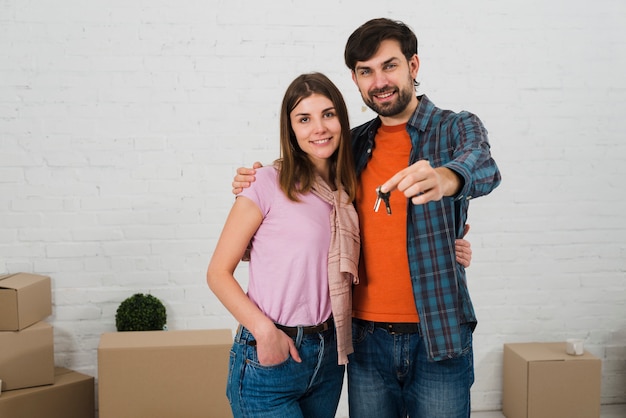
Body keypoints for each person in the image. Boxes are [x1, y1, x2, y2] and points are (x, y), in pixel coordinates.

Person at [232, 18, 501, 418]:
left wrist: (445, 179)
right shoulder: (353, 143)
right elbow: (308, 180)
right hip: (363, 340)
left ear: (413, 65)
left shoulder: (454, 127)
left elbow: (483, 167)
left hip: (439, 334)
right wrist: (257, 179)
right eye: (366, 71)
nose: (379, 81)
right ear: (356, 81)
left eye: (389, 65)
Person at [207, 72, 360, 418]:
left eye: (328, 114)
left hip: (328, 356)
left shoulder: (348, 194)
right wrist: (264, 332)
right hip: (271, 357)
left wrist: (454, 243)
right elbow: (218, 272)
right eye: (304, 119)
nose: (318, 128)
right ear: (290, 129)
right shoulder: (265, 182)